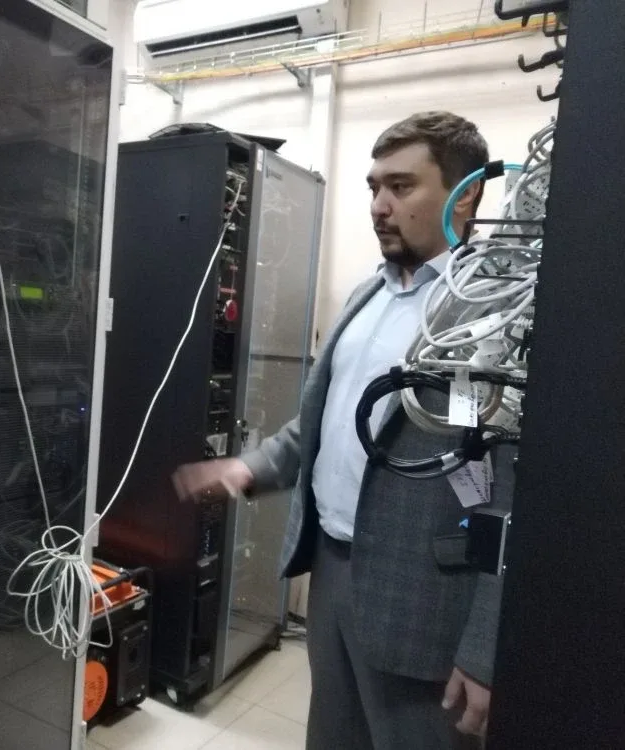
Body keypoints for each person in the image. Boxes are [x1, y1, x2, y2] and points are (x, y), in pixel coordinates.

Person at [173, 111, 513, 750]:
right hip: (331, 569)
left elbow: (513, 495)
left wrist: (486, 646)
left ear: (465, 196)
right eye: (374, 187)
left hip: (425, 600)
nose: (379, 206)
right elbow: (322, 420)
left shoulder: (495, 314)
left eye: (401, 187)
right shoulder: (368, 297)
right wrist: (249, 466)